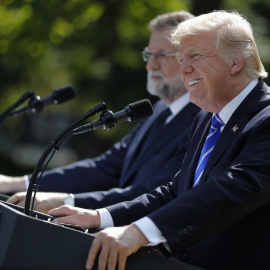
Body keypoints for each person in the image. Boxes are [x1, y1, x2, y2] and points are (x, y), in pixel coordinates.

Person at [49, 10, 270, 270]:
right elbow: (177, 191)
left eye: (195, 56)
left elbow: (230, 190)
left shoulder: (265, 119)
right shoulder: (206, 118)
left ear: (235, 62)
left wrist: (138, 232)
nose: (183, 69)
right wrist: (101, 217)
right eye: (179, 58)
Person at [0, 11, 200, 213]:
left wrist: (68, 202)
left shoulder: (203, 120)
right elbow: (105, 167)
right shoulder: (158, 111)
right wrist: (16, 183)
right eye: (149, 54)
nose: (151, 65)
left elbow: (155, 193)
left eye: (162, 55)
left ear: (190, 59)